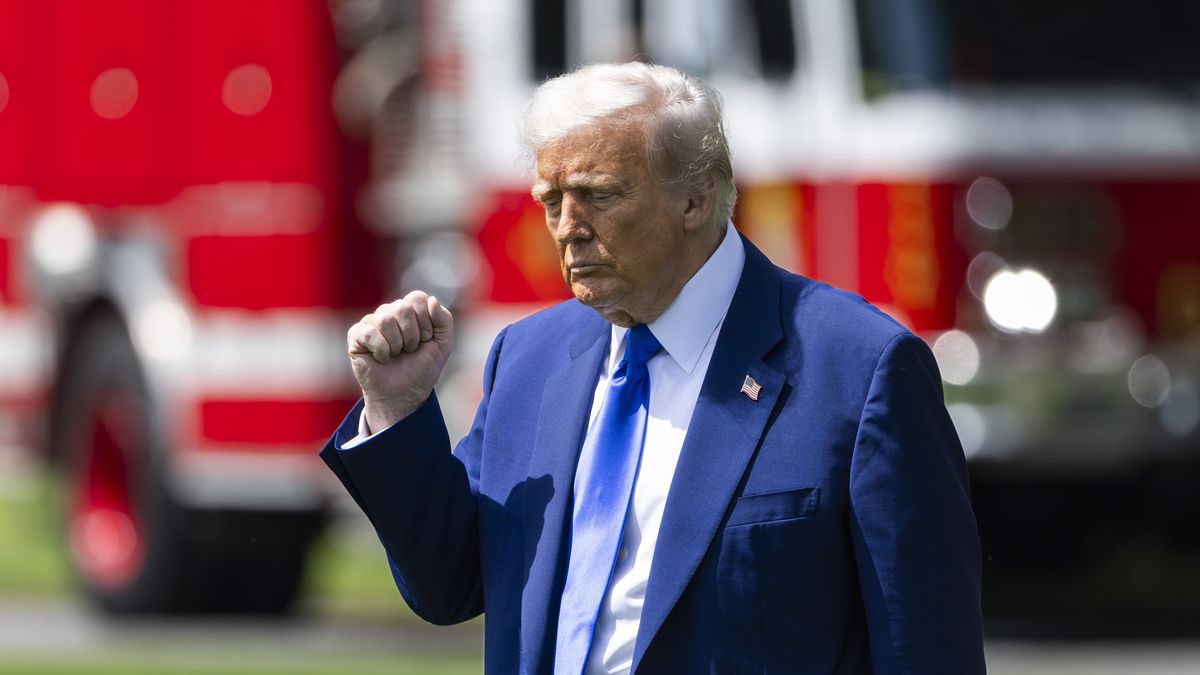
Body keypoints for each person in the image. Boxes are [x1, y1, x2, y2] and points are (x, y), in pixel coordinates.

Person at [320, 62, 986, 674]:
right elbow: (449, 583)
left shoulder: (860, 366)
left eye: (597, 196)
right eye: (551, 200)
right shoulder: (528, 359)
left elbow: (926, 648)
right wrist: (398, 410)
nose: (566, 228)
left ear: (696, 199)